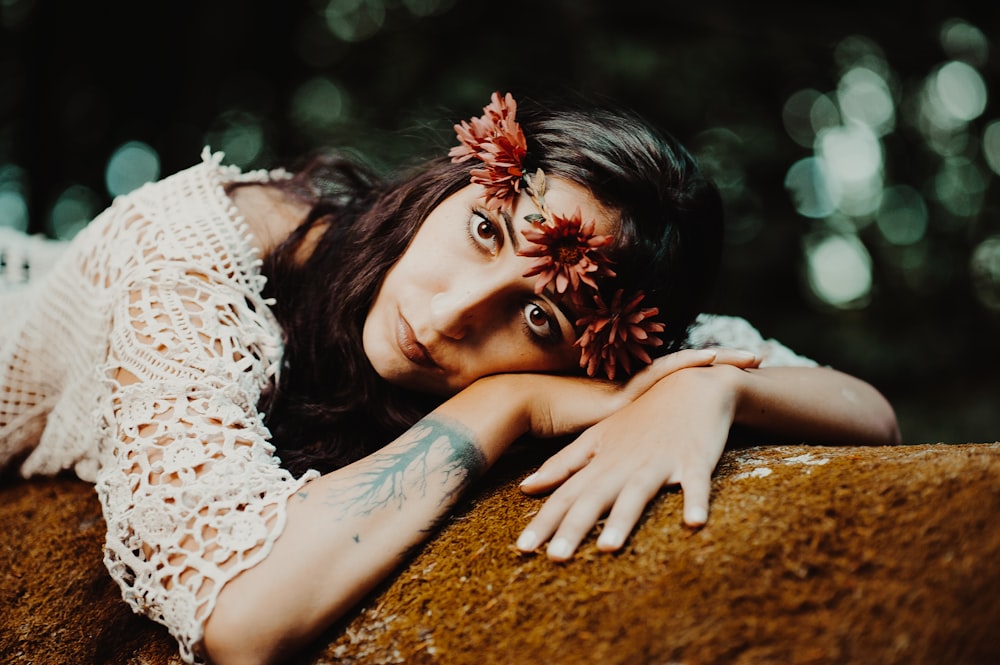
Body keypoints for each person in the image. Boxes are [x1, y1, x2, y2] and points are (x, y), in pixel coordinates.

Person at [0, 91, 900, 665]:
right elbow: (243, 615)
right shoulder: (197, 247)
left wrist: (713, 388)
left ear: (601, 350)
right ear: (459, 179)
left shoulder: (622, 325)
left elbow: (867, 412)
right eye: (483, 231)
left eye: (539, 318)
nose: (446, 317)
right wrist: (513, 396)